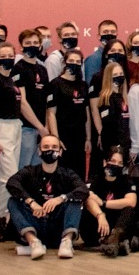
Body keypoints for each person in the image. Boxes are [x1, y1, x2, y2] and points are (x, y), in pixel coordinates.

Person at [0, 43, 42, 238]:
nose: (8, 58)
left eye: (11, 55)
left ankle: (2, 217)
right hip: (2, 128)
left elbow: (23, 105)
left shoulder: (12, 79)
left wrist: (41, 128)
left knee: (4, 178)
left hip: (15, 126)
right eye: (4, 55)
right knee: (9, 178)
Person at [6, 133, 89, 259]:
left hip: (58, 229)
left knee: (75, 200)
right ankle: (33, 243)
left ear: (60, 152)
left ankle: (66, 243)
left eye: (54, 147)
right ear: (39, 151)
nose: (50, 150)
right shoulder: (29, 171)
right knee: (13, 201)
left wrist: (61, 198)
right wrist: (31, 202)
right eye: (46, 147)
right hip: (36, 224)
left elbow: (83, 190)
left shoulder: (67, 173)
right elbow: (12, 183)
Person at [81, 146, 138, 257]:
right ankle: (113, 243)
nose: (116, 165)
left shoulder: (126, 180)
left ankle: (113, 239)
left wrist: (104, 203)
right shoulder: (96, 178)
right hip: (98, 224)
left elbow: (131, 202)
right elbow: (88, 198)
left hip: (116, 225)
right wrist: (100, 215)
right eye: (113, 161)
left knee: (130, 210)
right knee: (88, 204)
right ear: (105, 162)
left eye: (120, 163)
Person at [14, 29, 55, 170]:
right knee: (23, 170)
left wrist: (46, 127)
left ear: (40, 45)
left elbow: (47, 102)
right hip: (26, 129)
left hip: (42, 130)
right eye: (28, 43)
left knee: (38, 171)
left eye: (35, 43)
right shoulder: (18, 69)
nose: (32, 46)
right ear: (21, 46)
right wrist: (39, 127)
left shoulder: (42, 69)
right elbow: (22, 102)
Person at [51, 49, 92, 180]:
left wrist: (88, 138)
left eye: (78, 62)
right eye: (71, 61)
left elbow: (87, 113)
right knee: (61, 175)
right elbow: (51, 114)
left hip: (79, 137)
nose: (74, 64)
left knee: (78, 176)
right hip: (63, 137)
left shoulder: (83, 85)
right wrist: (56, 139)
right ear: (64, 62)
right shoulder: (55, 84)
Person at [83, 19, 119, 83]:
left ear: (117, 35)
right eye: (105, 32)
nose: (109, 34)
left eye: (113, 32)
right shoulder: (93, 59)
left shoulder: (119, 57)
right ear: (98, 36)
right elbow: (90, 84)